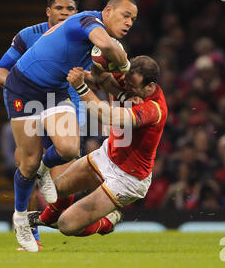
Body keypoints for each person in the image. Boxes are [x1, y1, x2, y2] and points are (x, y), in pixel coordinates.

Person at [3, 0, 138, 251]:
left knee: (68, 150)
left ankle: (44, 168)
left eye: (133, 19)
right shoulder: (87, 21)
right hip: (22, 88)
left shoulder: (96, 46)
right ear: (108, 10)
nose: (130, 22)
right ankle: (21, 218)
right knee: (27, 163)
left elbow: (101, 78)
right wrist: (123, 60)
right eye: (126, 15)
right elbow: (109, 49)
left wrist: (120, 95)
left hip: (55, 92)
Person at [31, 55, 168, 239]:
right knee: (59, 189)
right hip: (107, 155)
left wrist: (80, 86)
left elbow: (107, 116)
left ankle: (108, 221)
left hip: (128, 178)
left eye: (133, 87)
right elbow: (98, 79)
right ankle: (44, 220)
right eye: (126, 82)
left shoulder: (154, 110)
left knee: (67, 225)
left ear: (149, 87)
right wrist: (81, 73)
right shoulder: (128, 78)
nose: (126, 87)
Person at [0, 0, 80, 250]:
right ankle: (31, 236)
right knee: (28, 170)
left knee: (63, 183)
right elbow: (0, 73)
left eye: (70, 10)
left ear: (77, 13)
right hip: (29, 106)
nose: (65, 13)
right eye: (59, 8)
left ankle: (54, 222)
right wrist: (24, 88)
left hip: (62, 107)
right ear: (48, 11)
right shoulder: (28, 36)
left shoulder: (82, 37)